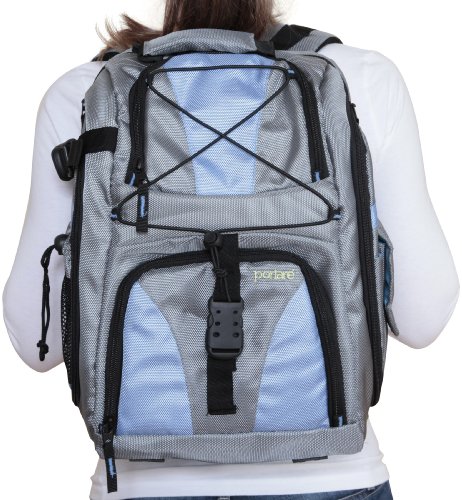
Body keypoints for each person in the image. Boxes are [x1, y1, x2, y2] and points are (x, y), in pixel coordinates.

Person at [3, 1, 459, 499]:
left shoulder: (87, 87)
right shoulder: (358, 75)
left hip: (142, 485)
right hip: (334, 480)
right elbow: (422, 318)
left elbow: (36, 342)